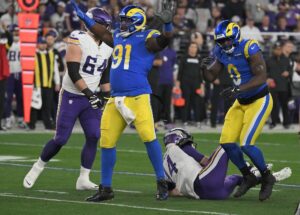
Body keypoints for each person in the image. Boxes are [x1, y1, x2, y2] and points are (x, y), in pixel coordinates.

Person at [72, 1, 174, 201]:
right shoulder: (118, 35)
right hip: (116, 98)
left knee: (148, 138)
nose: (123, 24)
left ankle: (163, 182)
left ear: (137, 22)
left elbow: (163, 41)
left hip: (138, 96)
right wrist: (85, 18)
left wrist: (168, 25)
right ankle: (106, 188)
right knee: (107, 142)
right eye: (123, 20)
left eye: (127, 21)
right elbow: (101, 33)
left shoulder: (147, 37)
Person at [23, 7, 113, 190]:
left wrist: (105, 97)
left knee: (95, 135)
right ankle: (37, 166)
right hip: (73, 94)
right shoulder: (78, 37)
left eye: (107, 26)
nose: (106, 29)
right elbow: (72, 71)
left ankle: (83, 179)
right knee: (61, 138)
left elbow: (105, 76)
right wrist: (90, 95)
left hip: (91, 97)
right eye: (103, 25)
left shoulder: (107, 46)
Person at [201, 20, 275, 201]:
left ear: (235, 36)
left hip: (259, 99)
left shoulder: (249, 47)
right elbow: (212, 77)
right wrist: (203, 68)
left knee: (247, 144)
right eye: (222, 41)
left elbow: (261, 76)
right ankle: (248, 175)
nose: (225, 43)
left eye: (228, 39)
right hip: (240, 101)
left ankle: (267, 176)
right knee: (226, 142)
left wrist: (237, 89)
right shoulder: (219, 51)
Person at [163, 128, 292, 200]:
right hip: (205, 182)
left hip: (207, 195)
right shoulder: (180, 147)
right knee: (226, 145)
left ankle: (266, 177)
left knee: (236, 178)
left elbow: (173, 192)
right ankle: (253, 170)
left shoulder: (164, 164)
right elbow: (207, 162)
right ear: (178, 138)